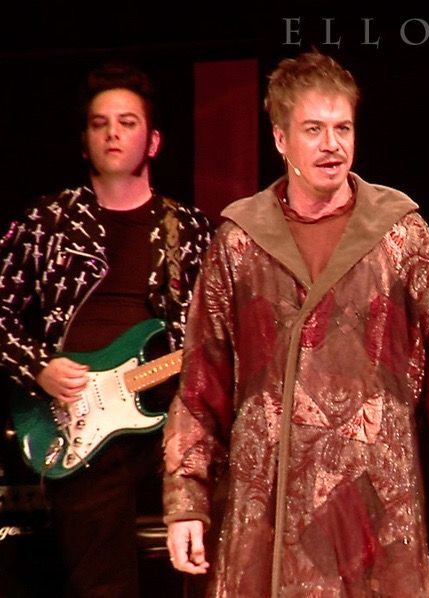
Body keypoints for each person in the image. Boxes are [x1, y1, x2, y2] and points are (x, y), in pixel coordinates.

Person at [162, 50, 429, 596]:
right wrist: (186, 501)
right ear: (280, 138)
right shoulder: (240, 243)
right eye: (313, 129)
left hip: (374, 510)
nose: (331, 144)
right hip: (267, 514)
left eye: (343, 128)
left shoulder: (399, 235)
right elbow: (202, 387)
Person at [0, 63, 213, 597]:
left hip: (174, 417)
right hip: (79, 424)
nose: (113, 133)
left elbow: (221, 327)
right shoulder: (47, 223)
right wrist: (38, 368)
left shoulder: (190, 230)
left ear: (153, 141)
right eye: (100, 124)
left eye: (127, 122)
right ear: (84, 140)